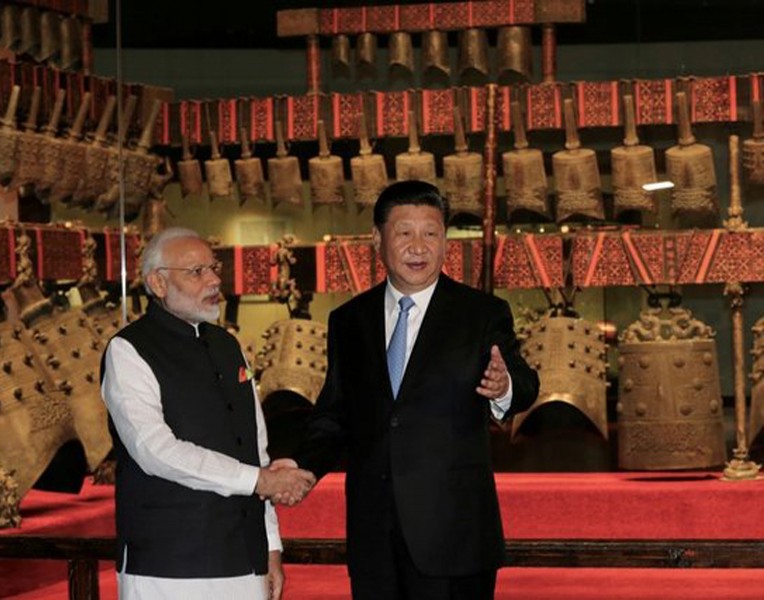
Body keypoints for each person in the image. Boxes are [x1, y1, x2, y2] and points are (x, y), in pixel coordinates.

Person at [273, 180, 540, 599]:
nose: (418, 246)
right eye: (404, 233)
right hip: (374, 534)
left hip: (453, 534)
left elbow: (525, 384)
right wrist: (302, 465)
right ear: (377, 239)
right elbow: (335, 412)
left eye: (431, 233)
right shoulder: (349, 320)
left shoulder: (480, 313)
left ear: (445, 242)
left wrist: (504, 387)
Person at [101, 227, 315, 600]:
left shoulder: (227, 345)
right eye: (197, 271)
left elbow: (256, 450)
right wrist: (257, 481)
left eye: (213, 268)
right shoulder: (128, 350)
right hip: (169, 567)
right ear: (158, 282)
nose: (215, 279)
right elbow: (156, 451)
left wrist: (271, 549)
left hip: (244, 560)